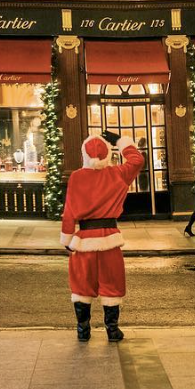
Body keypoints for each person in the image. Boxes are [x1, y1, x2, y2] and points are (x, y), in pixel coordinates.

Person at [60, 130, 144, 343]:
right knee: (112, 284)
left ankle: (83, 330)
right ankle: (112, 330)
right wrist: (120, 142)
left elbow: (68, 211)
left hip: (83, 241)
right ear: (108, 154)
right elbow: (137, 160)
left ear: (84, 155)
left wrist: (67, 239)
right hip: (109, 240)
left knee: (81, 286)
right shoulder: (117, 174)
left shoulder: (76, 177)